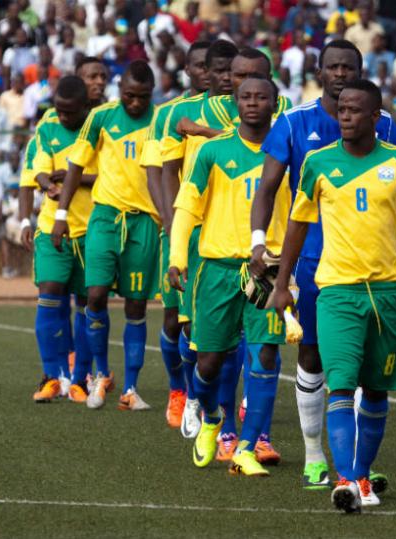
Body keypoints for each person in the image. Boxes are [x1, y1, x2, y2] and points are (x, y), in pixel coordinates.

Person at [271, 79, 396, 511]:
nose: (343, 116)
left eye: (353, 110)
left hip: (387, 295)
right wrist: (281, 283)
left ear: (374, 116)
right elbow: (297, 225)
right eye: (340, 109)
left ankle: (361, 477)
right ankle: (345, 479)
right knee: (341, 386)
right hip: (337, 292)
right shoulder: (317, 163)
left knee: (378, 390)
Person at [249, 39, 396, 491]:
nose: (339, 73)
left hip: (375, 267)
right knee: (314, 355)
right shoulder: (294, 122)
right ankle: (315, 455)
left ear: (359, 70)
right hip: (317, 263)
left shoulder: (384, 124)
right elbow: (267, 188)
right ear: (319, 71)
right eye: (332, 66)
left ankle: (354, 464)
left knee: (363, 365)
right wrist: (260, 241)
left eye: (348, 66)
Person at [168, 75, 284, 478]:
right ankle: (213, 417)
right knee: (210, 363)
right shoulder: (212, 151)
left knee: (266, 352)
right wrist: (177, 258)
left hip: (268, 269)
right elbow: (187, 209)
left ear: (275, 102)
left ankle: (248, 449)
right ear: (235, 102)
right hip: (217, 269)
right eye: (246, 97)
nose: (253, 103)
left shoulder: (287, 150)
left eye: (261, 97)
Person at [51, 60, 158, 412]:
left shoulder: (161, 119)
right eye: (129, 95)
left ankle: (130, 388)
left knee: (136, 305)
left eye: (142, 97)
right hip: (105, 217)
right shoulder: (101, 117)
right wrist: (61, 215)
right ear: (120, 89)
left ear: (151, 93)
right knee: (94, 295)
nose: (136, 104)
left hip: (143, 222)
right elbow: (75, 168)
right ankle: (100, 375)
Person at [159, 39, 238, 443]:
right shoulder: (177, 113)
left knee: (235, 331)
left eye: (230, 69)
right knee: (187, 327)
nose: (221, 76)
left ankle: (229, 415)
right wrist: (174, 221)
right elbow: (164, 169)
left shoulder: (256, 107)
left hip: (233, 230)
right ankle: (189, 393)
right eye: (215, 68)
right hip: (192, 229)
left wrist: (203, 131)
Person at [138, 40, 211, 430]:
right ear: (187, 69)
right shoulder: (168, 114)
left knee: (211, 323)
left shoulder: (232, 112)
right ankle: (177, 389)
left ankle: (211, 400)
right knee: (174, 318)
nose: (205, 72)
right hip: (181, 225)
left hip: (218, 230)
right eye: (197, 65)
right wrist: (170, 220)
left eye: (211, 66)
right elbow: (156, 170)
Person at [18, 76, 96, 403]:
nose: (62, 117)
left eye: (68, 112)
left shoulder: (98, 129)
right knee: (49, 293)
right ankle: (52, 376)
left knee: (88, 303)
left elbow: (112, 175)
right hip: (53, 226)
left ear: (84, 107)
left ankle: (78, 378)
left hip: (92, 228)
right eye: (58, 111)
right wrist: (48, 183)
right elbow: (36, 171)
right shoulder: (48, 128)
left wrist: (75, 179)